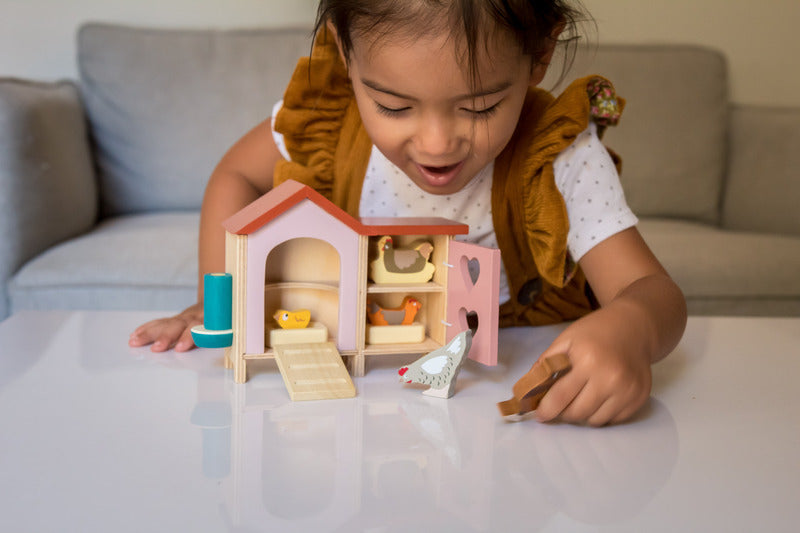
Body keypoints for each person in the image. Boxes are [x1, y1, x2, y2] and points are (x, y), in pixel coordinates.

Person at [129, 0, 687, 426]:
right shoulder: (329, 124)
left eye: (480, 106)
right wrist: (214, 298)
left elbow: (652, 291)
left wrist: (632, 329)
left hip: (493, 391)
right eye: (394, 107)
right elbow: (235, 175)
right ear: (347, 55)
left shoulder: (561, 155)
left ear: (539, 56)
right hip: (361, 405)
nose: (437, 143)